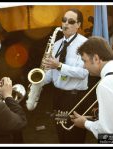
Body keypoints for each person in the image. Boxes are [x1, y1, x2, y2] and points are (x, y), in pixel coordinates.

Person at [27, 8, 89, 143]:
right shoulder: (56, 44)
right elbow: (51, 74)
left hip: (75, 96)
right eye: (64, 20)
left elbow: (83, 73)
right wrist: (39, 81)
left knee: (74, 135)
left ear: (78, 25)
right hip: (58, 95)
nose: (66, 24)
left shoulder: (85, 44)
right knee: (60, 133)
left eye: (71, 21)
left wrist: (59, 66)